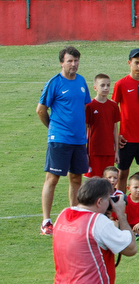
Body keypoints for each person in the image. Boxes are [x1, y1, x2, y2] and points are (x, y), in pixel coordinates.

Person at [39, 46, 92, 236]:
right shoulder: (54, 83)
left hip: (78, 140)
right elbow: (41, 110)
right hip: (59, 139)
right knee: (52, 178)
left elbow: (84, 107)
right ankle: (46, 222)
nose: (74, 64)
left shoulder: (81, 81)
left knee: (76, 178)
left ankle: (74, 216)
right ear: (62, 62)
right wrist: (53, 128)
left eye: (76, 60)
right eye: (70, 61)